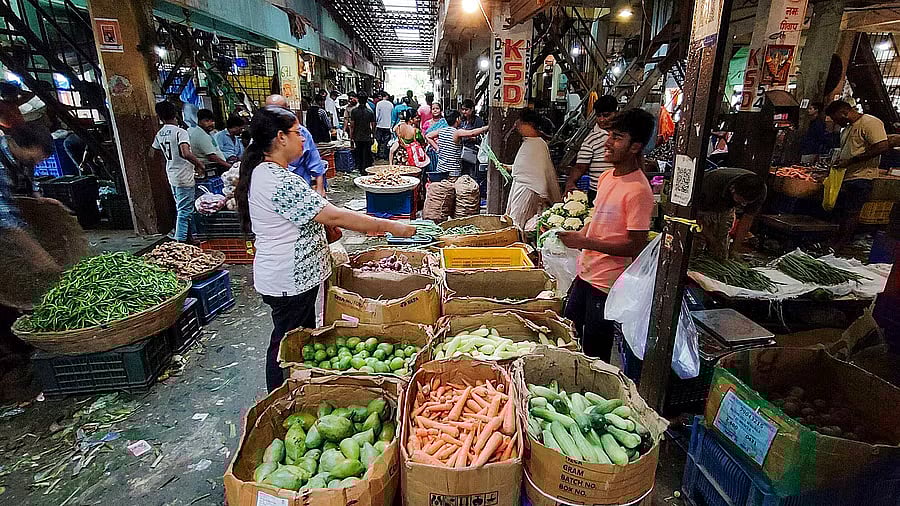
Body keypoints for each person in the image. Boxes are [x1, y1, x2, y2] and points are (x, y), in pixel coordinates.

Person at [234, 105, 416, 391]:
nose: (303, 139)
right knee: (285, 343)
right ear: (281, 138)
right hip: (289, 280)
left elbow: (316, 218)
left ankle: (297, 388)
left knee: (297, 338)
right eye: (297, 133)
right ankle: (281, 394)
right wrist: (392, 227)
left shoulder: (267, 173)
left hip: (290, 278)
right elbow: (334, 215)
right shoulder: (278, 180)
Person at [560, 108, 656, 361]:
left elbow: (635, 246)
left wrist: (585, 241)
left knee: (595, 351)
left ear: (635, 147)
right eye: (609, 135)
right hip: (586, 273)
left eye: (617, 137)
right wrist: (579, 234)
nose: (608, 142)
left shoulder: (638, 190)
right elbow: (597, 219)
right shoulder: (606, 177)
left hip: (607, 284)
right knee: (566, 332)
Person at [825, 100, 889, 245]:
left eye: (836, 119)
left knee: (851, 212)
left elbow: (882, 146)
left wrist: (851, 161)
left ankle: (841, 244)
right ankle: (834, 242)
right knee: (840, 211)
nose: (836, 122)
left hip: (862, 177)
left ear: (844, 113)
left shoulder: (870, 122)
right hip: (846, 177)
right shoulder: (847, 128)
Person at [151, 100, 205, 242]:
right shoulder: (180, 132)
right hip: (184, 175)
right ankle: (179, 243)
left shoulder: (160, 134)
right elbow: (185, 153)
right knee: (184, 211)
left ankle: (190, 238)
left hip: (172, 174)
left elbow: (153, 154)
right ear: (176, 113)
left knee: (182, 206)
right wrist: (199, 164)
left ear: (160, 117)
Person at [505, 108, 562, 228]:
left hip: (529, 189)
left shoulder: (537, 144)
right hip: (523, 187)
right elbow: (526, 167)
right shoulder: (530, 142)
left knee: (518, 224)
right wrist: (510, 168)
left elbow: (536, 172)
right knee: (517, 222)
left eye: (520, 122)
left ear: (530, 125)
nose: (517, 125)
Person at [695, 168, 767, 259]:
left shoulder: (759, 191)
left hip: (726, 207)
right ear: (732, 189)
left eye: (746, 203)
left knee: (721, 245)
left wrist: (735, 249)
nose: (743, 205)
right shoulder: (710, 184)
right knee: (698, 242)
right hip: (704, 207)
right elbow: (696, 218)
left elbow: (747, 219)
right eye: (741, 201)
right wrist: (712, 240)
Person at [266, 94, 327, 197]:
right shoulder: (262, 135)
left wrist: (320, 188)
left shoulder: (301, 132)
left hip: (300, 184)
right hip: (273, 187)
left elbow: (314, 159)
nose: (301, 139)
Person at [565, 95, 618, 201]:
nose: (602, 120)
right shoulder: (591, 139)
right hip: (598, 193)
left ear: (616, 113)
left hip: (620, 191)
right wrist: (570, 183)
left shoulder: (625, 136)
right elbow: (580, 167)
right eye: (599, 116)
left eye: (606, 115)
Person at [426, 110, 489, 181]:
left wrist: (437, 148)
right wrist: (487, 127)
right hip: (453, 172)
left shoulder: (441, 131)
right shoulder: (457, 132)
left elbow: (428, 136)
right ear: (457, 119)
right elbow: (472, 133)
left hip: (441, 169)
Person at [349, 92, 376, 175]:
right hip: (367, 136)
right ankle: (365, 169)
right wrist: (373, 136)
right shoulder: (370, 112)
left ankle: (360, 169)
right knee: (366, 154)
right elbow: (373, 126)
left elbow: (352, 125)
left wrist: (351, 137)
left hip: (357, 136)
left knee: (359, 153)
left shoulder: (354, 111)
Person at [459, 99, 486, 178]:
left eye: (466, 110)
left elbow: (483, 138)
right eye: (463, 110)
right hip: (462, 152)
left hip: (473, 152)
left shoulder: (478, 121)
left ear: (472, 109)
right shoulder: (462, 121)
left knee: (473, 174)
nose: (464, 112)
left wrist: (473, 138)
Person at [374, 91, 394, 159]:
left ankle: (378, 154)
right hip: (388, 125)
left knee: (378, 141)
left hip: (380, 125)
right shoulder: (391, 104)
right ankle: (385, 155)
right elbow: (392, 115)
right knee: (386, 141)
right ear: (386, 96)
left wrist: (376, 122)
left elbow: (377, 115)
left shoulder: (379, 104)